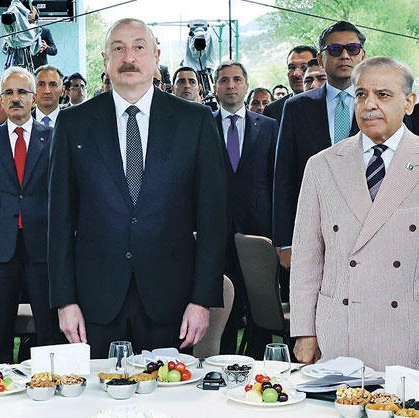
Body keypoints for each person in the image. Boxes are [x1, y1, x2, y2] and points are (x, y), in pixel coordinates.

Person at [48, 18, 227, 358]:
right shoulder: (73, 123)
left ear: (156, 56)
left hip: (171, 301)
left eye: (139, 48)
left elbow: (212, 219)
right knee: (98, 392)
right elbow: (58, 219)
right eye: (118, 48)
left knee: (168, 392)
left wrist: (202, 300)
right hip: (94, 302)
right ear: (105, 60)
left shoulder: (195, 121)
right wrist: (64, 301)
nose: (129, 58)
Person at [291, 56, 419, 376]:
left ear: (409, 102)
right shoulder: (321, 166)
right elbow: (306, 259)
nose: (369, 105)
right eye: (361, 94)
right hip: (337, 340)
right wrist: (304, 332)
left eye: (383, 95)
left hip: (408, 343)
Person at [0, 66, 58, 363]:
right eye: (8, 92)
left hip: (42, 245)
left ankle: (48, 378)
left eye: (22, 92)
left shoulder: (53, 137)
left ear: (33, 97)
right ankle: (0, 380)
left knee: (48, 325)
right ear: (1, 99)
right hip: (0, 247)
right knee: (2, 325)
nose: (15, 98)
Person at [273, 21, 366, 270]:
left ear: (363, 55)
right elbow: (284, 177)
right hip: (312, 231)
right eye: (335, 49)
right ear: (321, 58)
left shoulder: (381, 104)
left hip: (368, 231)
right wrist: (285, 241)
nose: (345, 55)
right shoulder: (297, 108)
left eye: (352, 49)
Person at [212, 61, 277, 355]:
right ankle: (221, 360)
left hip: (258, 228)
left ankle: (258, 362)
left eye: (237, 79)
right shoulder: (203, 125)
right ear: (215, 87)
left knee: (258, 301)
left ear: (246, 85)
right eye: (224, 80)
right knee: (222, 301)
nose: (231, 85)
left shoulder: (268, 126)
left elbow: (275, 179)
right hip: (216, 229)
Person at [264, 46, 318, 122]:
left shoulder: (330, 104)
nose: (296, 74)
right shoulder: (273, 110)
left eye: (304, 67)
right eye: (291, 67)